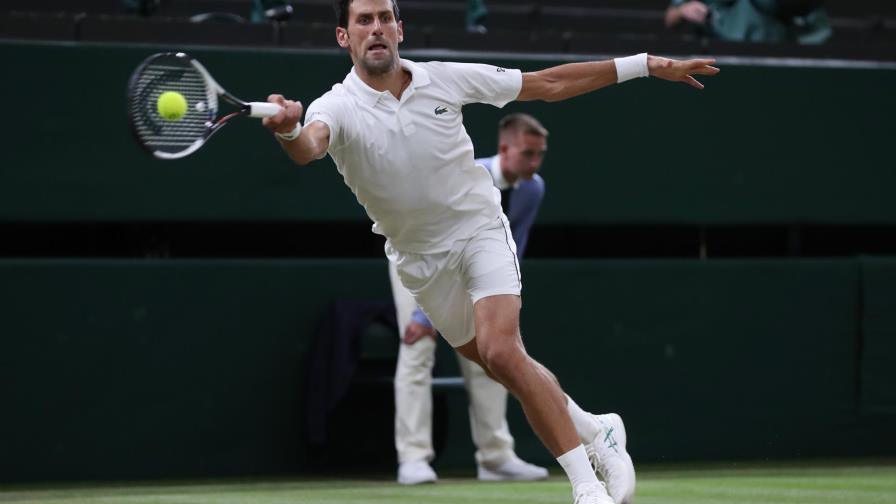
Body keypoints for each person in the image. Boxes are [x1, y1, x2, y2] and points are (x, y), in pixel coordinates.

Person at [261, 1, 719, 502]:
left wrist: (646, 64)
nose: (376, 29)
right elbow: (308, 146)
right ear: (343, 38)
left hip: (478, 229)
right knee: (503, 364)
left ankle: (587, 488)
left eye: (384, 18)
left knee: (502, 349)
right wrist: (287, 128)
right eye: (363, 21)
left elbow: (550, 84)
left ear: (400, 29)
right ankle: (596, 428)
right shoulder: (336, 106)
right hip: (419, 261)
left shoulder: (445, 78)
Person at [390, 113, 550, 485]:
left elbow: (515, 245)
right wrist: (424, 316)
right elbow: (436, 243)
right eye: (528, 154)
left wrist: (503, 294)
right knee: (418, 346)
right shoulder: (467, 177)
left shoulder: (532, 189)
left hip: (478, 263)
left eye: (540, 155)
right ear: (505, 148)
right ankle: (412, 458)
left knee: (494, 349)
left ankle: (495, 457)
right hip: (420, 256)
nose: (535, 163)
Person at [665, 0, 831, 44]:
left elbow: (818, 28)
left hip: (776, 49)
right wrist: (683, 10)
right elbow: (671, 17)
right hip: (719, 52)